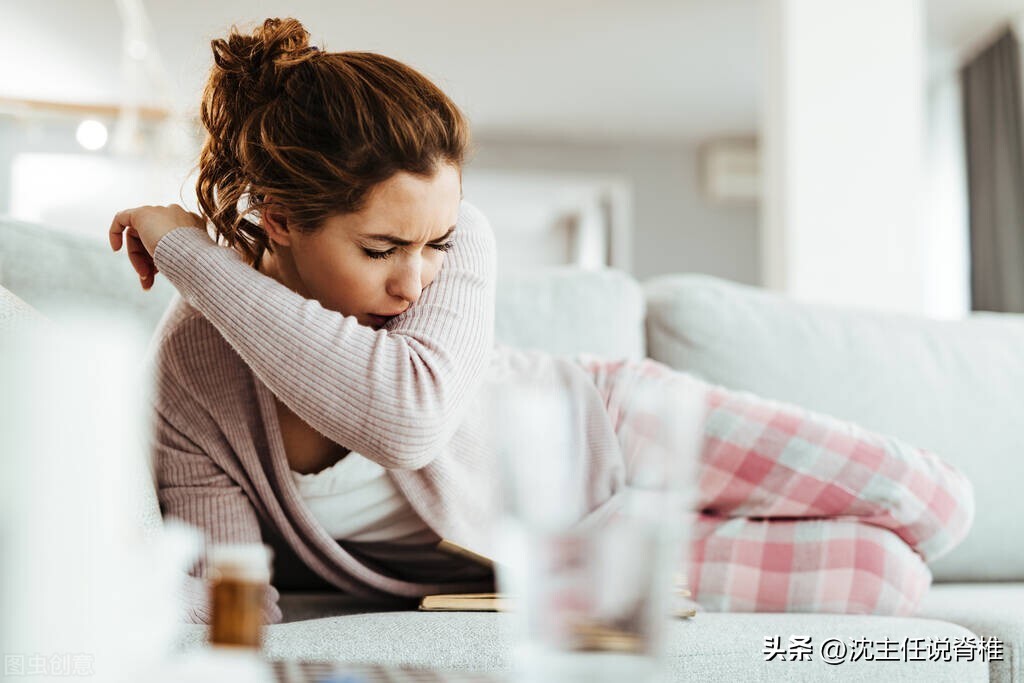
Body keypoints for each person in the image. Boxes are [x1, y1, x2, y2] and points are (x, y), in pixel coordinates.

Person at [109, 18, 974, 625]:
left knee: (938, 500)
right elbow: (225, 594)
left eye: (434, 241)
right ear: (282, 218)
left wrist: (195, 255)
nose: (416, 279)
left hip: (613, 424)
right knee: (884, 576)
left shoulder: (464, 247)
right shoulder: (193, 367)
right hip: (558, 559)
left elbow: (407, 416)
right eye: (380, 250)